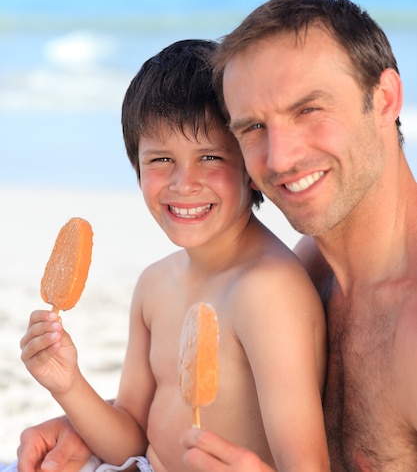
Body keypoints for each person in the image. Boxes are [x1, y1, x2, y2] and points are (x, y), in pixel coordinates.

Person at [18, 39, 329, 472]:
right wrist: (67, 383)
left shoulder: (266, 293)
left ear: (253, 168)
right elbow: (128, 436)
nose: (185, 183)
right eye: (162, 159)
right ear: (136, 168)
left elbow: (306, 466)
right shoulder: (154, 284)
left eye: (210, 157)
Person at [180, 0, 417, 471]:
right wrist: (99, 436)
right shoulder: (300, 277)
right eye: (252, 128)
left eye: (308, 110)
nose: (280, 157)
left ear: (385, 99)